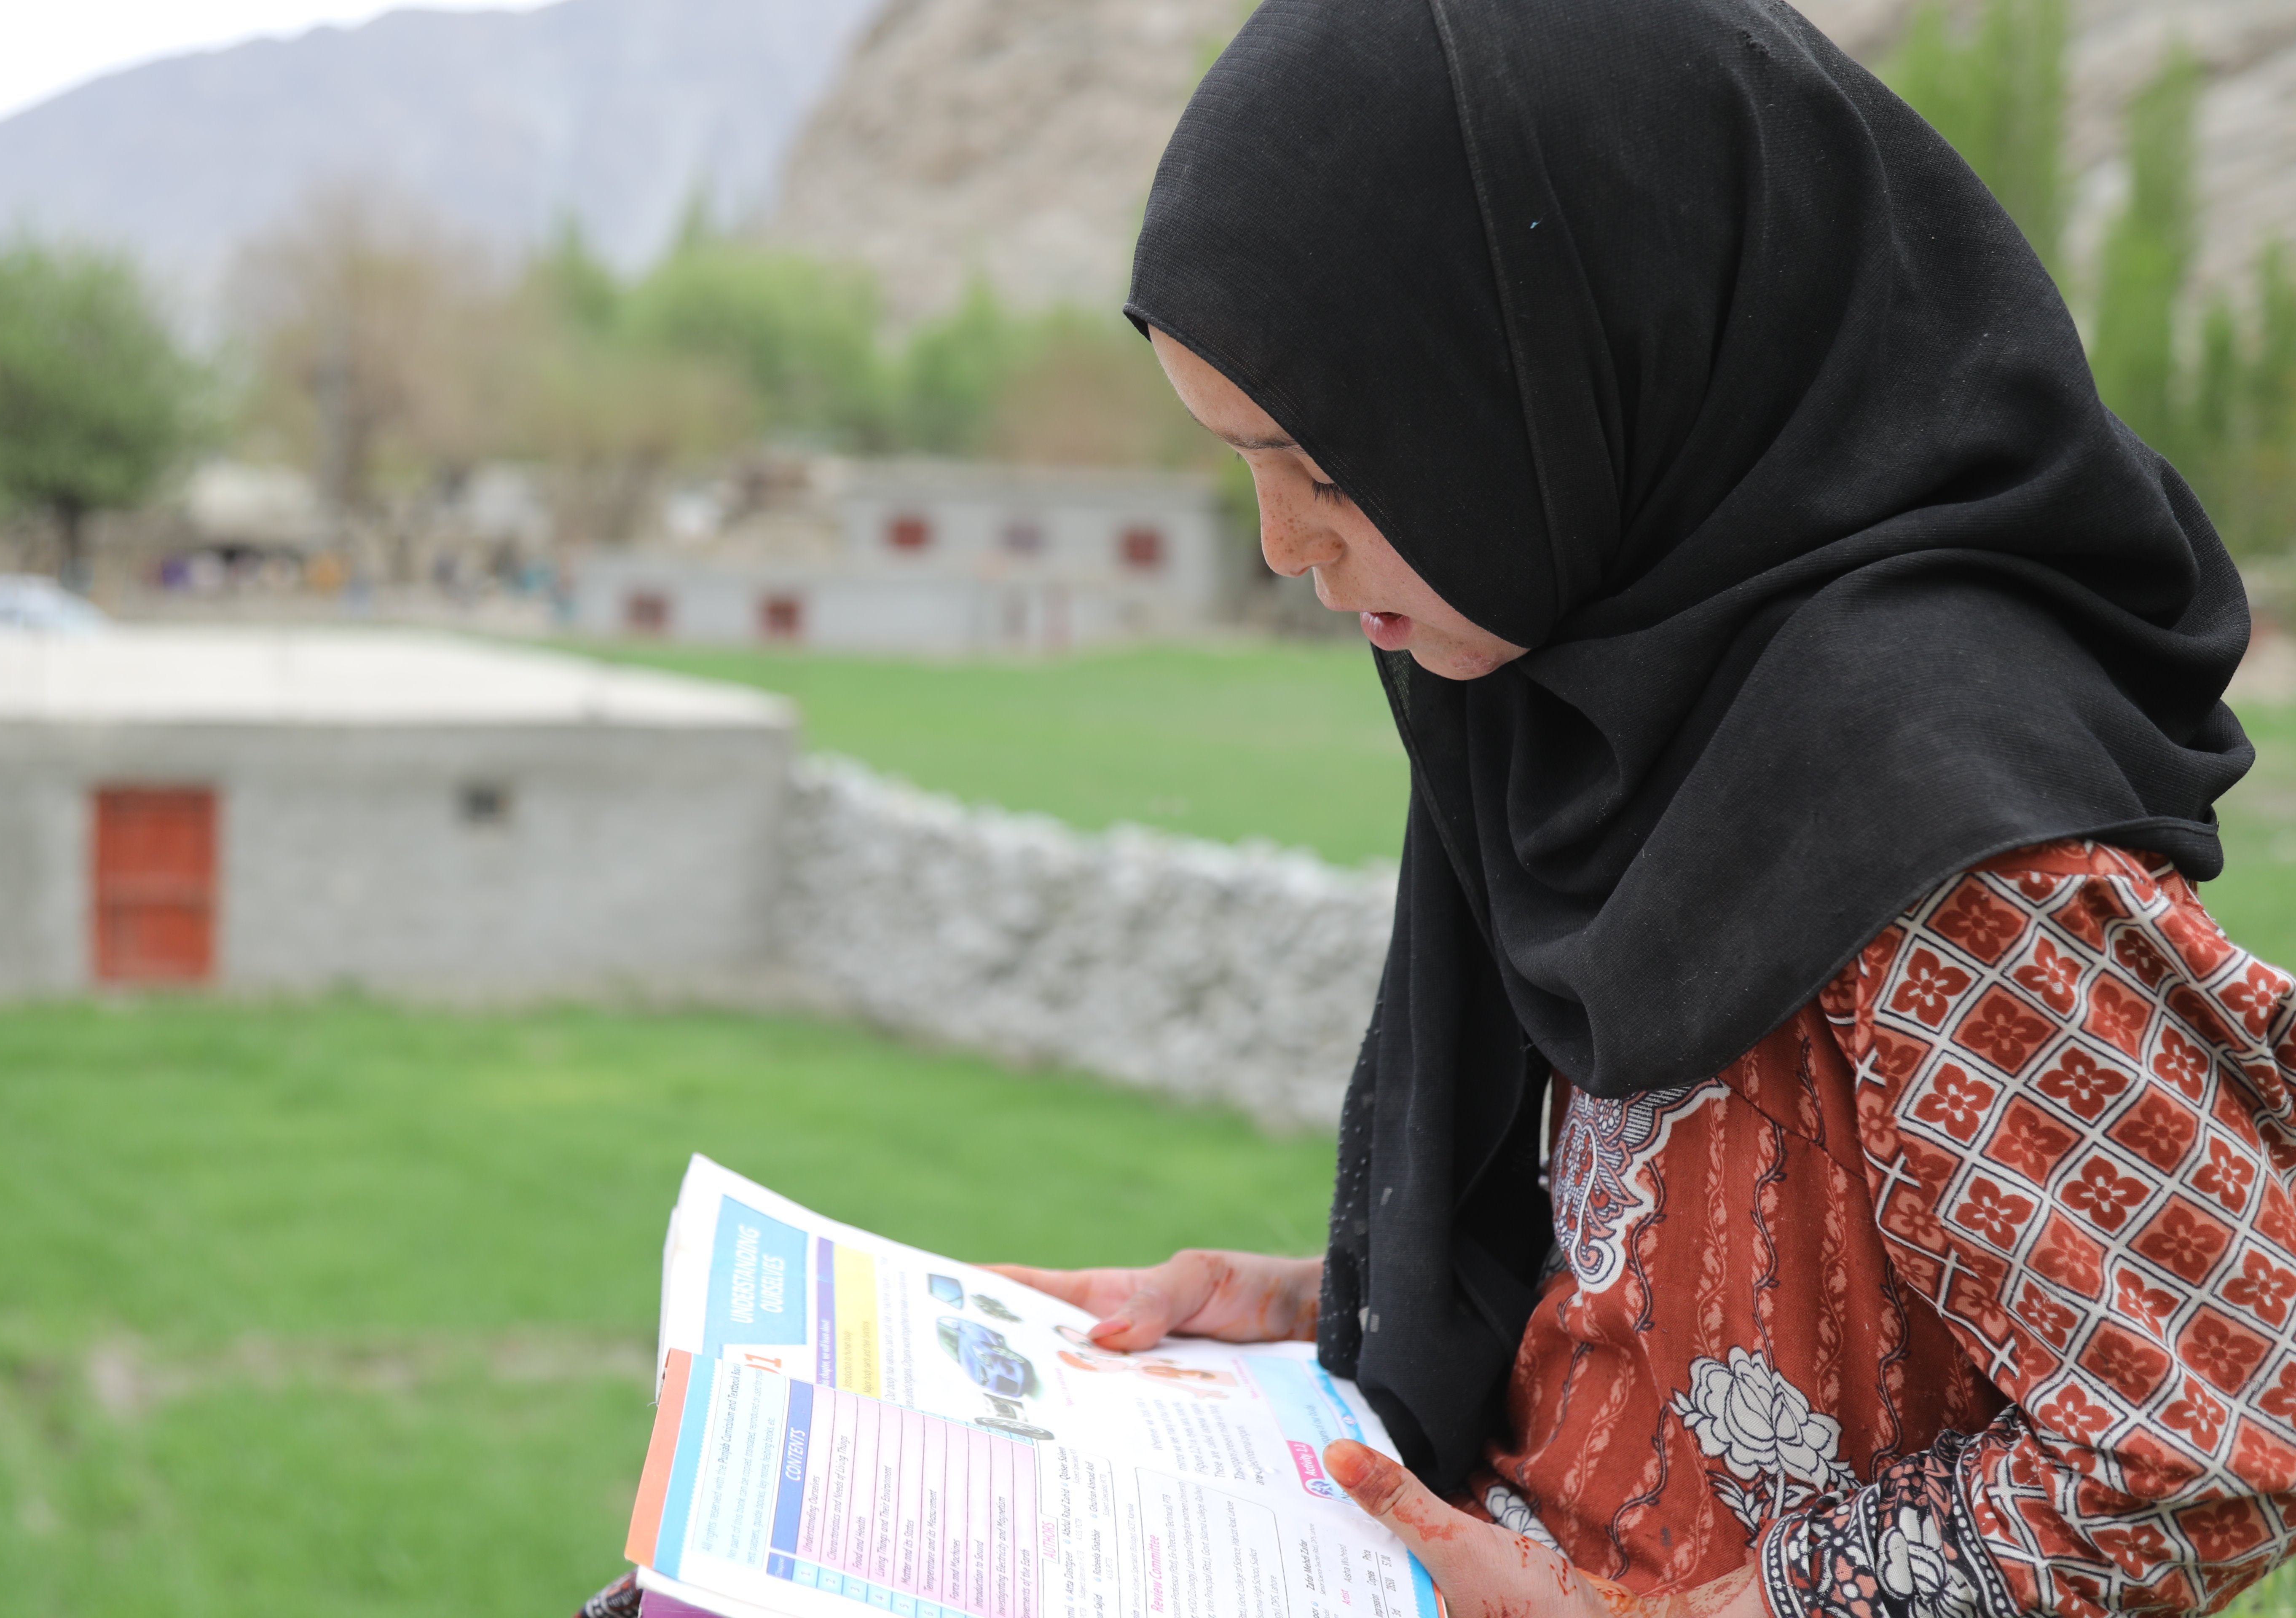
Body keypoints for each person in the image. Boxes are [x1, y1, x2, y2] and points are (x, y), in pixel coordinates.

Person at [578, 3, 2288, 1617]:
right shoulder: (1590, 698)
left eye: (1329, 466)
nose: (1282, 546)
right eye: (1242, 465)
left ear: (1565, 382)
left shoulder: (1937, 813)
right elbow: (1698, 1249)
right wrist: (1332, 1306)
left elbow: (2220, 1429)